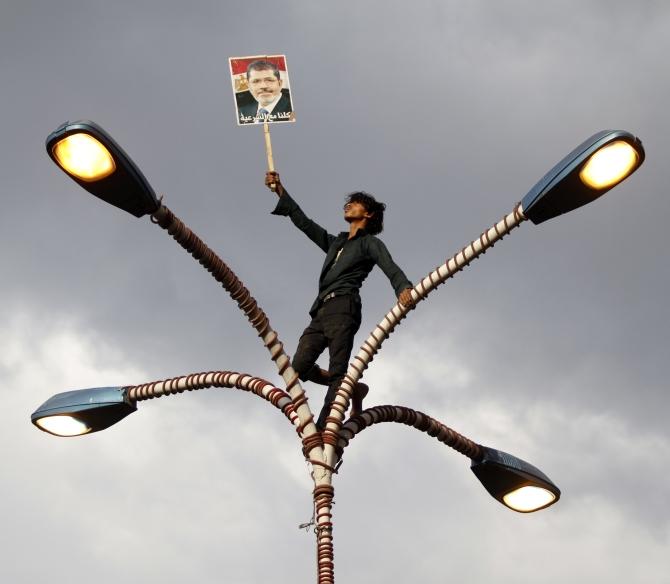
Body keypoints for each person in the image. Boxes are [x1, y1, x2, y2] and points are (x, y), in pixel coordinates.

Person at [266, 171, 414, 430]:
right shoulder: (337, 243)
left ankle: (325, 427)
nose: (348, 205)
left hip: (343, 307)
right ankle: (353, 389)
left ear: (367, 214)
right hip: (321, 311)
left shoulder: (369, 243)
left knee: (338, 371)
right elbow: (305, 223)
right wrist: (280, 190)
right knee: (298, 366)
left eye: (355, 203)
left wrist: (403, 288)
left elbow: (389, 266)